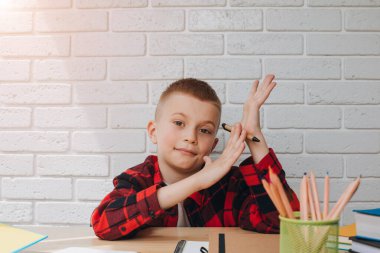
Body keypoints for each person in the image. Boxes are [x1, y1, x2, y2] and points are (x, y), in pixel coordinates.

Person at [91, 74, 299, 240]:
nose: (191, 137)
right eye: (179, 123)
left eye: (205, 130)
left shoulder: (230, 185)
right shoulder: (137, 179)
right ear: (154, 132)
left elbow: (282, 224)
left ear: (213, 145)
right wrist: (197, 182)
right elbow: (104, 224)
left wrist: (256, 140)